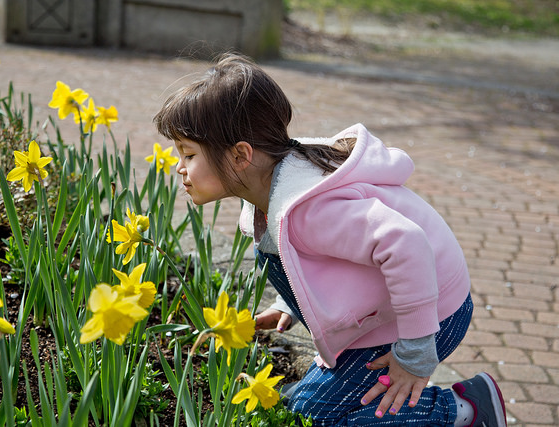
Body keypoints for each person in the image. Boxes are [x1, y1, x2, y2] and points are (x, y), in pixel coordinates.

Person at [154, 53, 507, 426]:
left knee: (313, 420)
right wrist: (288, 306)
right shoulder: (273, 185)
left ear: (241, 155)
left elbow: (406, 244)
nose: (180, 167)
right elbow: (315, 258)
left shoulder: (307, 209)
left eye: (188, 154)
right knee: (305, 410)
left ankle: (465, 412)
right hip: (393, 307)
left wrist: (414, 355)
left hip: (431, 312)